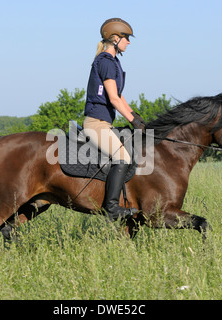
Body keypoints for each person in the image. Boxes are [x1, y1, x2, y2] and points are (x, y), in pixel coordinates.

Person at [83, 18, 146, 220]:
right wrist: (132, 121)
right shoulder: (106, 62)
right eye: (127, 38)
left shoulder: (114, 62)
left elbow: (120, 96)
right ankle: (111, 207)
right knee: (123, 158)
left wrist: (134, 115)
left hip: (105, 123)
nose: (129, 42)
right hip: (96, 124)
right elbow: (113, 99)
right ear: (116, 38)